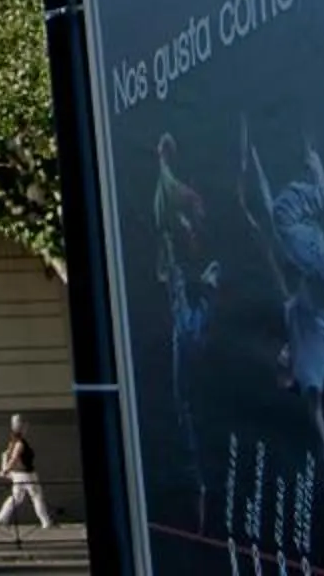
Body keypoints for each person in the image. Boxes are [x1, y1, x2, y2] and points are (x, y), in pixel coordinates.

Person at [239, 121, 324, 576]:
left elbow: (267, 253)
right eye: (280, 366)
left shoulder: (290, 322)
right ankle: (318, 176)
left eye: (278, 360)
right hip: (320, 279)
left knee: (276, 218)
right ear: (290, 379)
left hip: (311, 265)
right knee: (283, 217)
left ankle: (313, 165)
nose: (280, 356)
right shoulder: (309, 383)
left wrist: (253, 158)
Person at [150, 135, 218, 531]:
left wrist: (163, 159)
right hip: (189, 327)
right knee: (185, 406)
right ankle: (201, 488)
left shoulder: (197, 254)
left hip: (194, 333)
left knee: (188, 405)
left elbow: (172, 193)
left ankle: (203, 488)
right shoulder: (178, 233)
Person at [0, 413, 53, 531]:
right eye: (24, 427)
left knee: (17, 497)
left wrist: (6, 470)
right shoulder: (20, 444)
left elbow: (6, 455)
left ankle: (1, 517)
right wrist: (5, 470)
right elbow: (14, 458)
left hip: (18, 475)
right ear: (21, 430)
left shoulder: (13, 442)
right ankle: (46, 522)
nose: (26, 429)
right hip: (27, 475)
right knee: (36, 497)